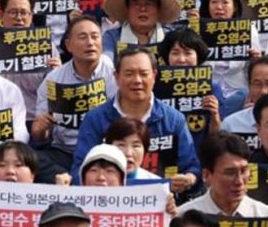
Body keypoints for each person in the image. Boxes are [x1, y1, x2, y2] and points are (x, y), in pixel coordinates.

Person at [72, 48, 201, 191]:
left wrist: (188, 179)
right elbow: (80, 168)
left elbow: (191, 167)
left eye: (144, 74)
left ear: (154, 76)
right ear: (116, 77)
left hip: (162, 201)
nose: (137, 80)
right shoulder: (95, 119)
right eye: (129, 74)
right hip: (106, 201)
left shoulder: (174, 119)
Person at [34, 16, 117, 182]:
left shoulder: (115, 74)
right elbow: (39, 135)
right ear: (68, 45)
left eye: (95, 36)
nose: (90, 42)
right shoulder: (53, 80)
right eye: (82, 37)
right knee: (30, 160)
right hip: (64, 152)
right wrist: (41, 128)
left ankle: (73, 181)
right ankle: (71, 179)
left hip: (102, 151)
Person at [101, 0, 181, 61]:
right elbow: (107, 63)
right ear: (127, 10)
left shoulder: (171, 36)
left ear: (158, 10)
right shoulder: (111, 37)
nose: (142, 8)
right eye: (136, 3)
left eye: (149, 3)